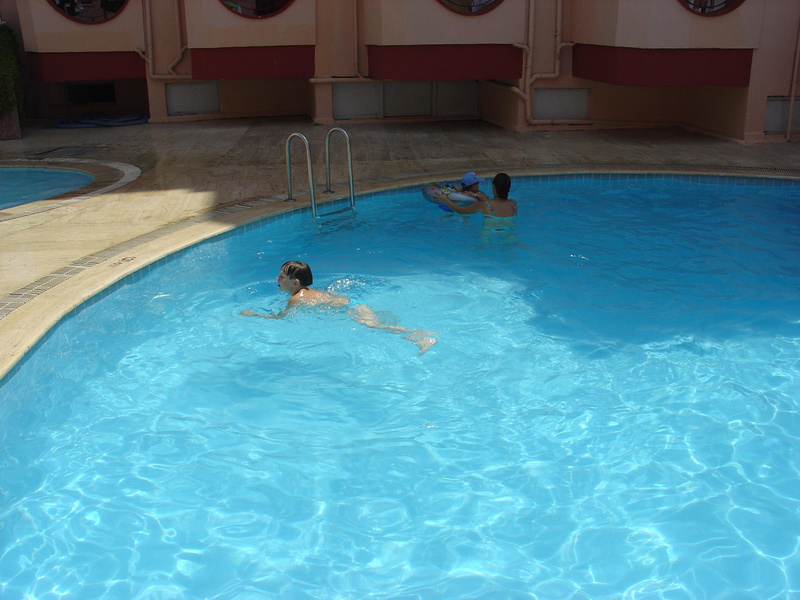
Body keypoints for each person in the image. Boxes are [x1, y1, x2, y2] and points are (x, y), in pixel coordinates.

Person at [240, 261, 437, 355]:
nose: (277, 278)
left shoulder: (295, 299)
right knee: (376, 324)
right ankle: (418, 335)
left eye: (282, 276)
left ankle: (421, 337)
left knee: (374, 326)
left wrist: (254, 315)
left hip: (352, 309)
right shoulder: (307, 292)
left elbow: (281, 319)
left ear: (295, 282)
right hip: (352, 305)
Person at [434, 172, 517, 231]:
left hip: (488, 235)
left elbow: (460, 210)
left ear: (493, 186)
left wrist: (445, 200)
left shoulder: (484, 204)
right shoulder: (513, 204)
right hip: (509, 234)